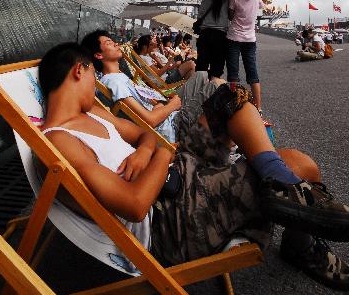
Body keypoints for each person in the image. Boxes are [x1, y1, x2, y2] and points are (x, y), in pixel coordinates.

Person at [39, 42, 349, 290]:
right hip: (171, 220)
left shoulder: (91, 116)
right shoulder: (60, 142)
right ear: (80, 70)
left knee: (228, 96)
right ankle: (292, 215)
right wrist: (158, 154)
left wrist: (148, 152)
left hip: (177, 173)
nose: (96, 85)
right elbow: (134, 205)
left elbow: (146, 136)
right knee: (301, 166)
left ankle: (277, 183)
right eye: (93, 75)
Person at [82, 30, 212, 143]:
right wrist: (172, 105)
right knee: (217, 85)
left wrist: (162, 105)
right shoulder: (113, 82)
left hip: (168, 112)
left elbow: (149, 103)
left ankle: (215, 136)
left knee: (201, 75)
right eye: (109, 43)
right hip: (172, 127)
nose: (116, 43)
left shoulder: (119, 76)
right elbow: (150, 120)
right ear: (98, 55)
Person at [225, 0, 263, 111]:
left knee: (233, 72)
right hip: (250, 40)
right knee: (252, 72)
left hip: (233, 38)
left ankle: (233, 104)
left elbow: (230, 16)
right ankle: (259, 107)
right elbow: (252, 2)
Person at [195, 0, 229, 78]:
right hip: (221, 36)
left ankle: (199, 88)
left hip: (205, 34)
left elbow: (200, 15)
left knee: (202, 64)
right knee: (217, 67)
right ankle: (213, 89)